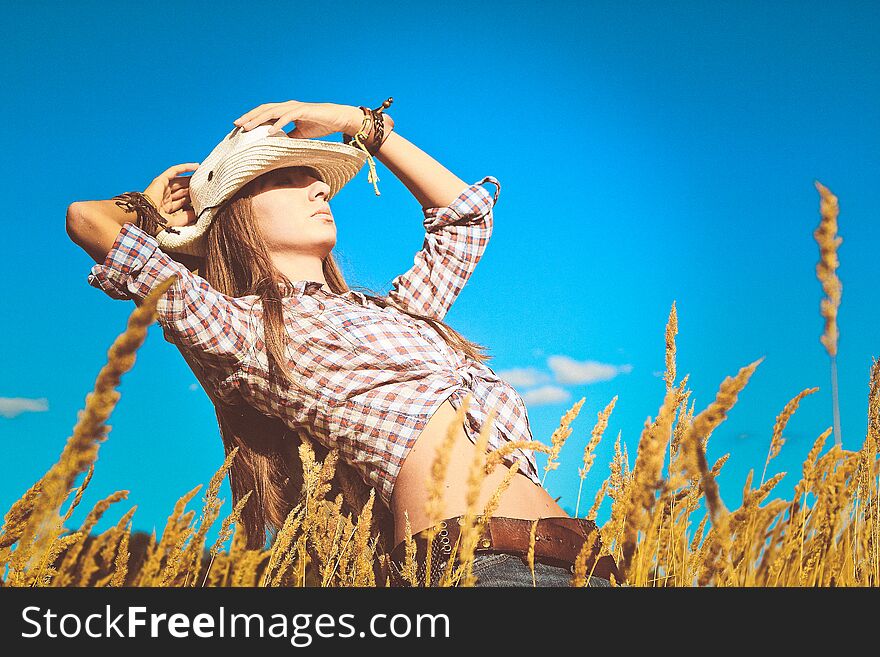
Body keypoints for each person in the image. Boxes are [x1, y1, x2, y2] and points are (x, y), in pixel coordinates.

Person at [66, 99, 617, 587]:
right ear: (235, 215)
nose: (320, 187)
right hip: (476, 569)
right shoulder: (247, 332)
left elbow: (465, 218)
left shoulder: (400, 314)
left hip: (591, 563)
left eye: (317, 178)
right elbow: (87, 221)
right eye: (284, 177)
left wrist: (359, 124)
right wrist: (146, 207)